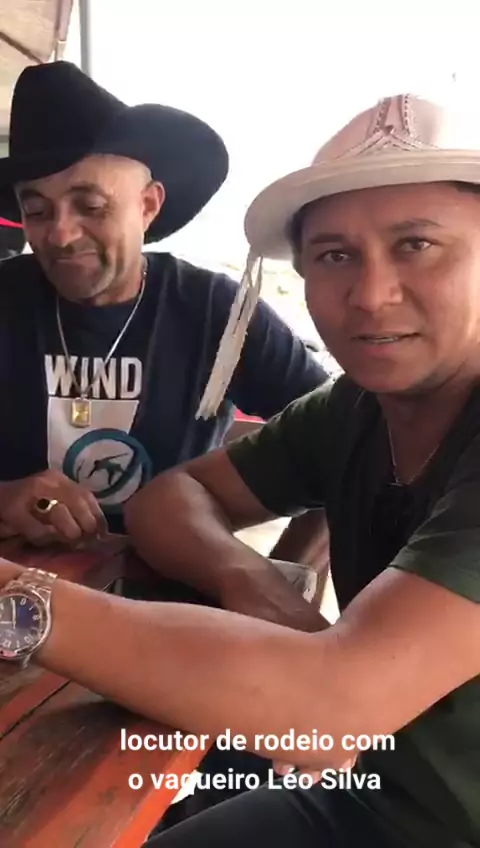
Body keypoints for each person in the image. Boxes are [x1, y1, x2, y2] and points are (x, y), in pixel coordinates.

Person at [2, 91, 480, 848]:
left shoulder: (213, 309)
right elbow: (173, 497)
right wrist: (248, 578)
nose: (371, 294)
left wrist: (14, 603)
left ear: (148, 205)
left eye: (416, 244)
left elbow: (330, 707)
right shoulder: (354, 408)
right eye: (334, 255)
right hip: (369, 786)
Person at [0, 60, 328, 565]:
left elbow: (351, 441)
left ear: (148, 205)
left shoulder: (218, 314)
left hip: (168, 595)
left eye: (90, 206)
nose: (60, 235)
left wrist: (286, 575)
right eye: (37, 210)